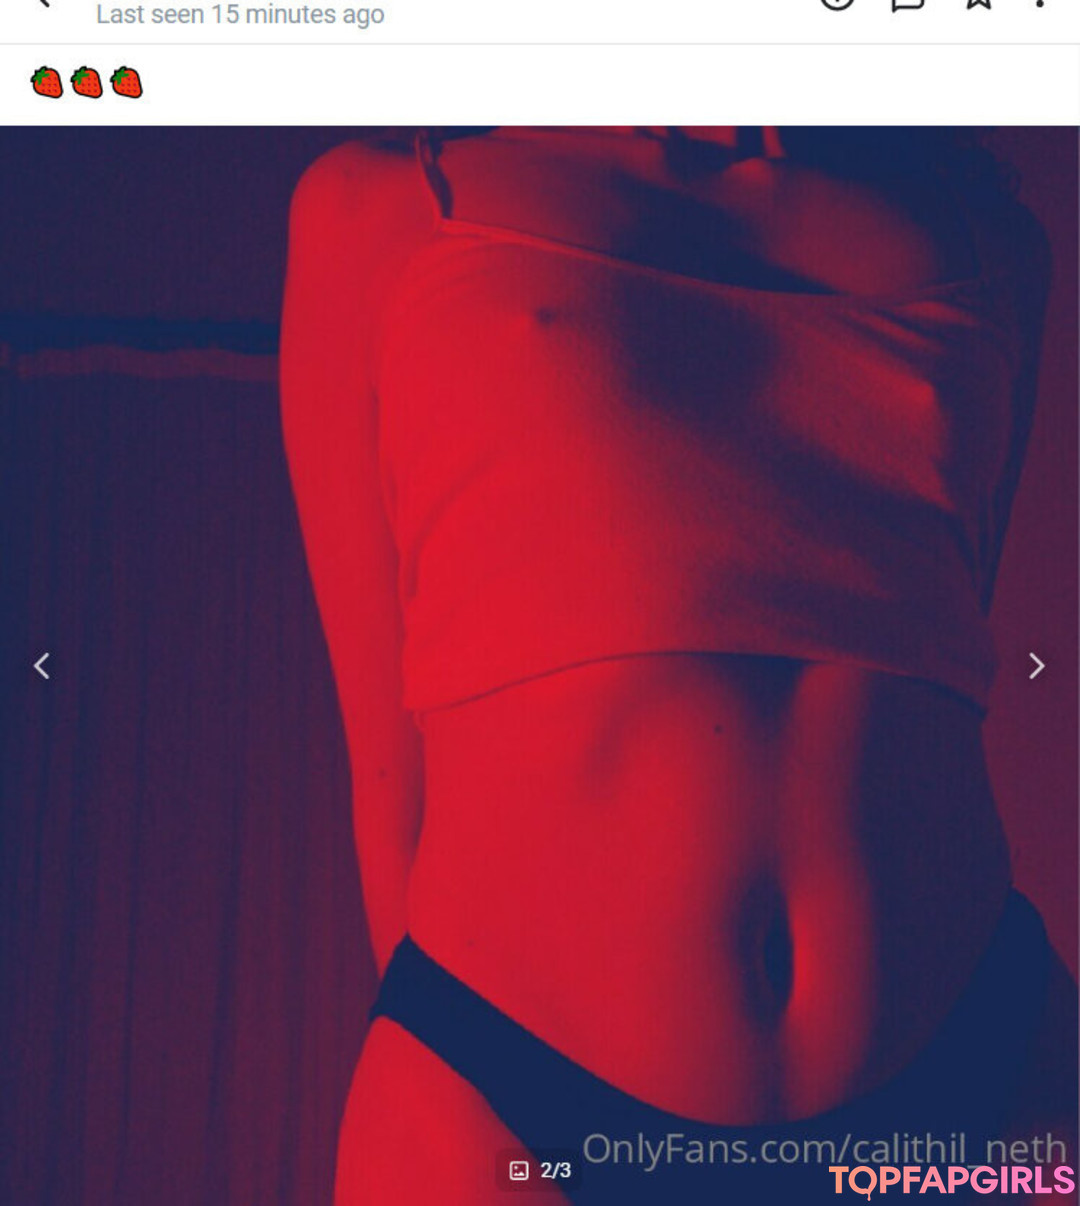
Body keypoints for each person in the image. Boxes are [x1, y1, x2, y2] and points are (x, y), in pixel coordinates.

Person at [280, 127, 1077, 1204]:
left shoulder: (990, 249)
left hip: (974, 1075)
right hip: (510, 1087)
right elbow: (388, 774)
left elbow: (940, 651)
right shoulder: (387, 210)